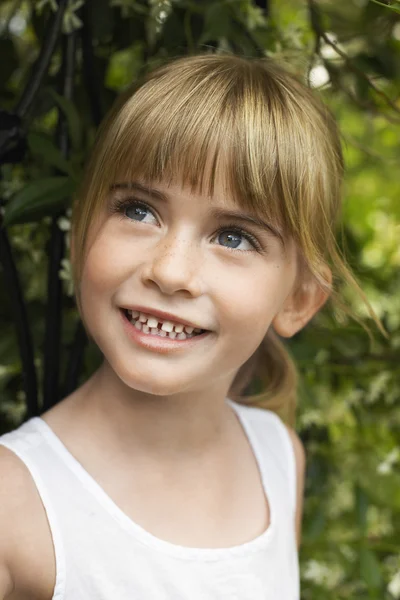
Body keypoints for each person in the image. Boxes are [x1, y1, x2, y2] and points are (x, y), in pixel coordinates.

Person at [0, 53, 383, 600]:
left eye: (234, 237)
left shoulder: (278, 457)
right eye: (138, 210)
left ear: (300, 300)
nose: (170, 271)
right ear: (81, 229)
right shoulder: (13, 503)